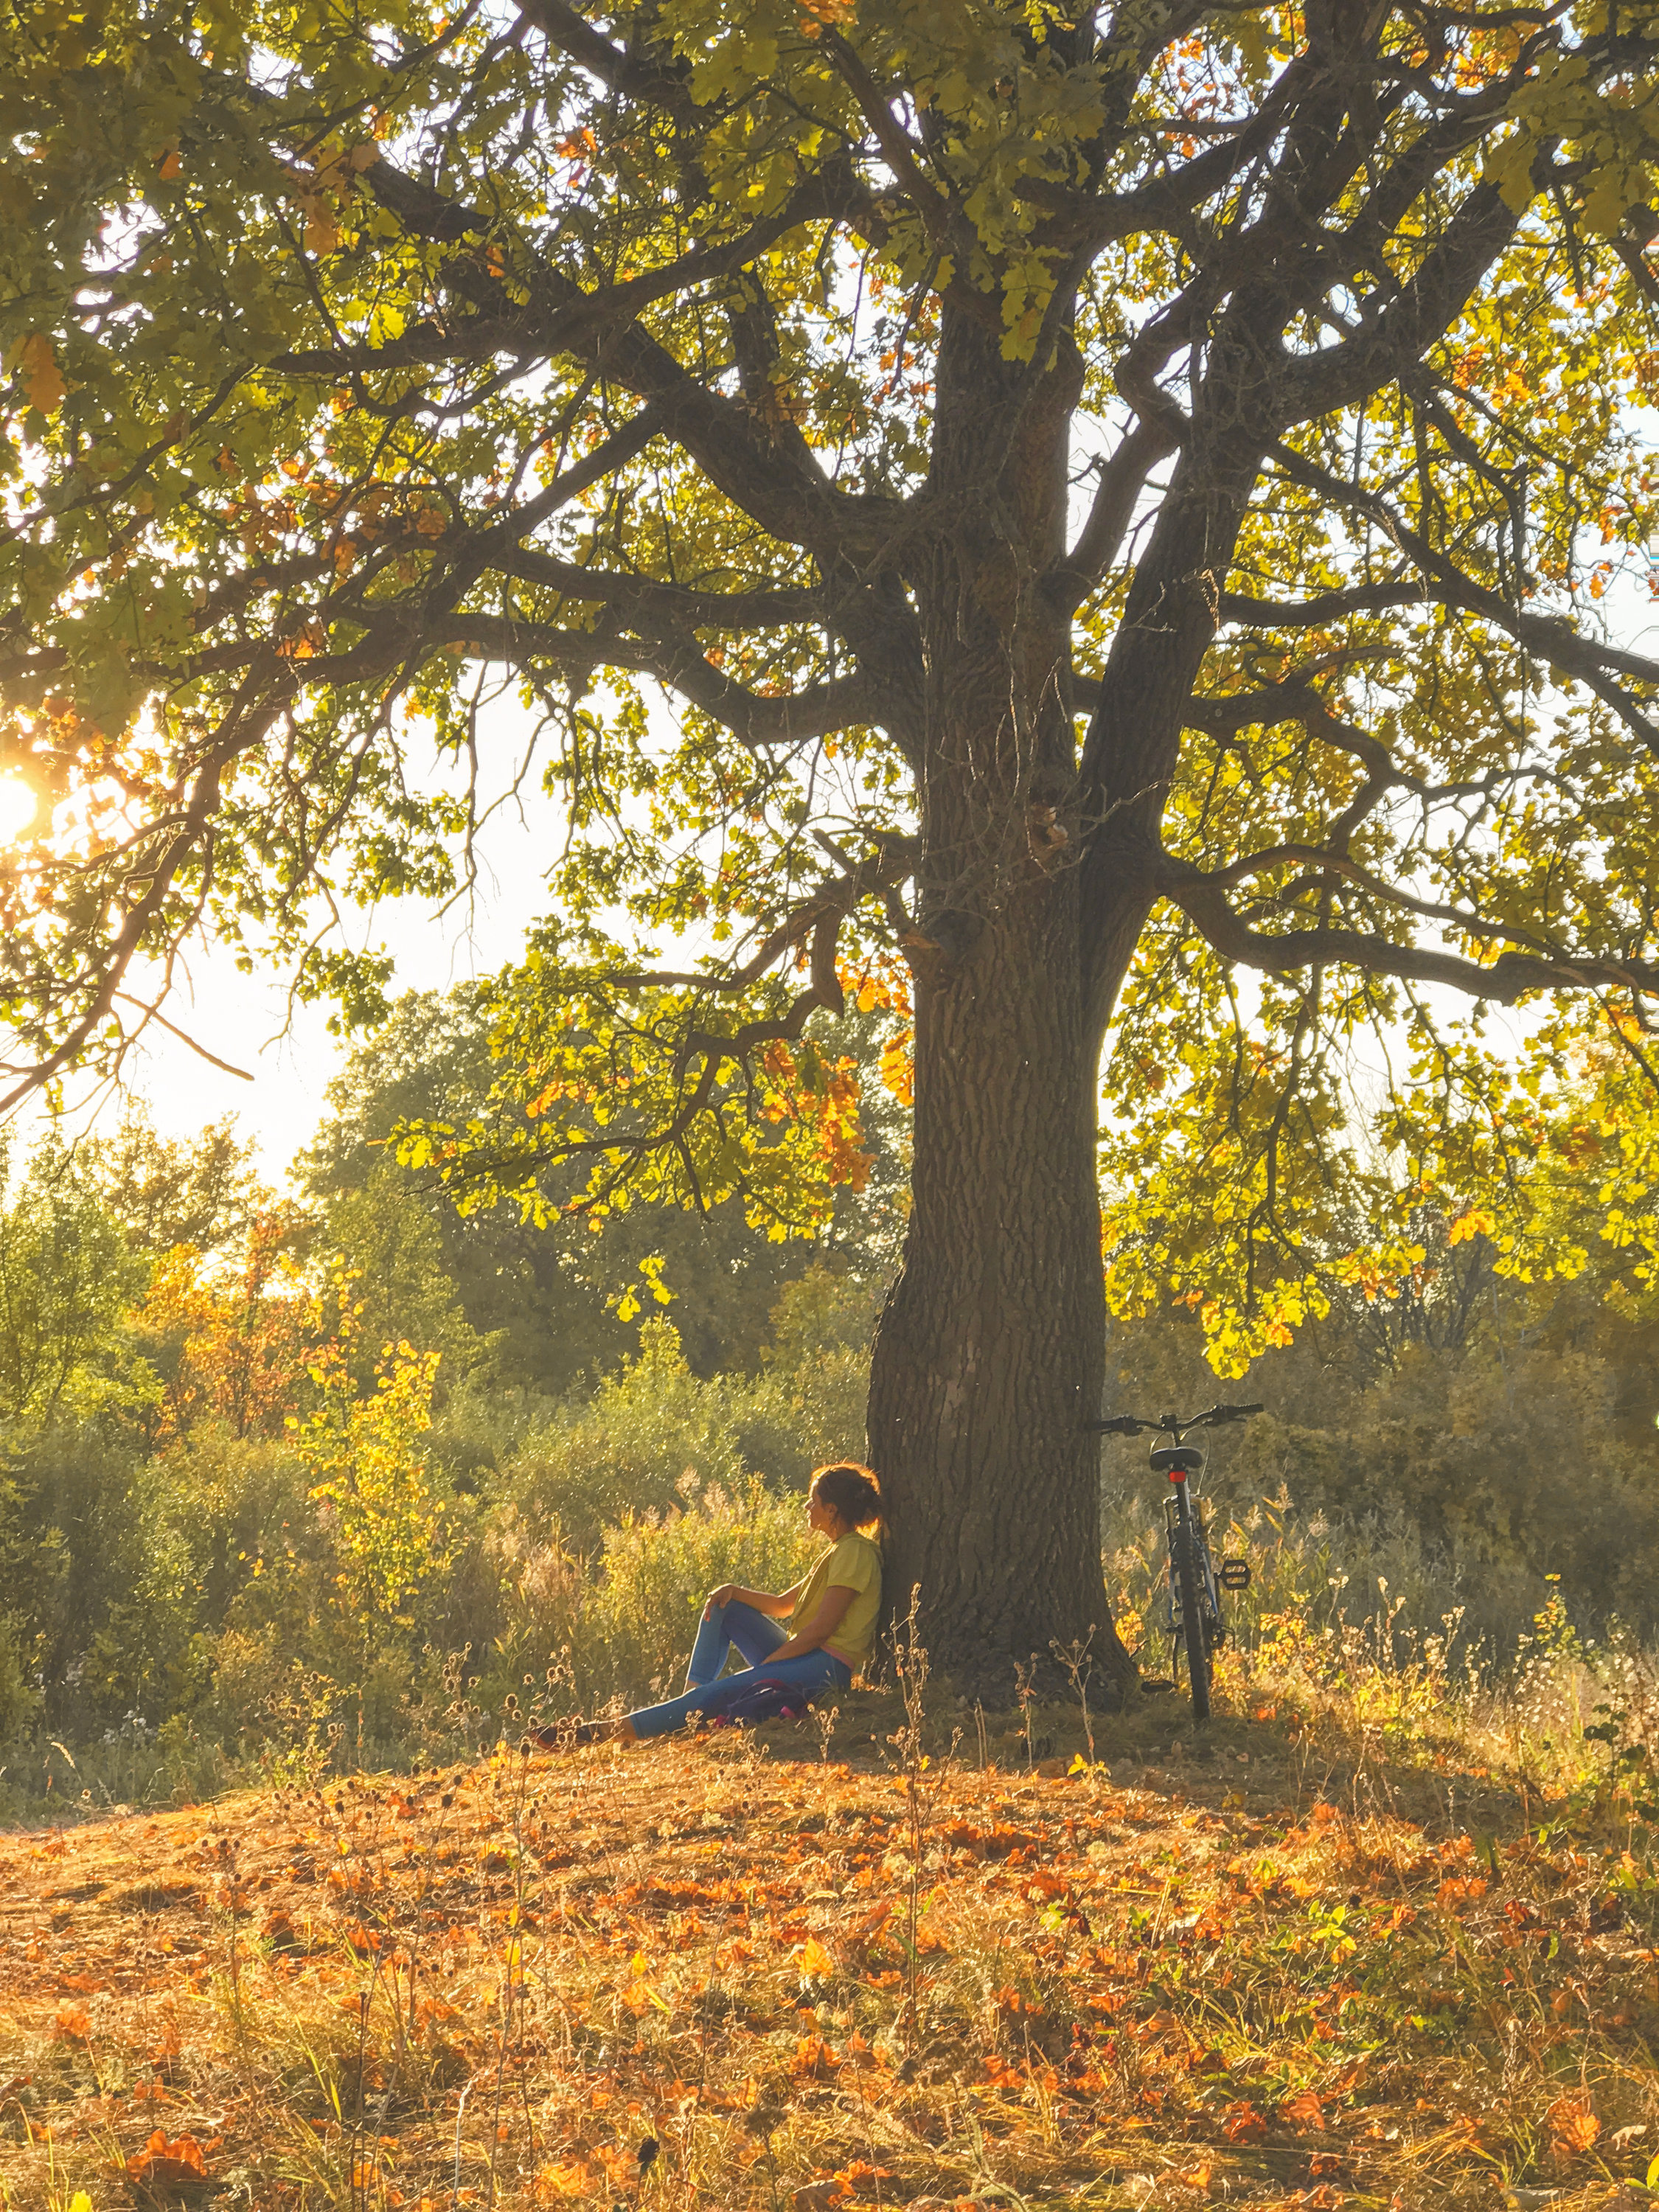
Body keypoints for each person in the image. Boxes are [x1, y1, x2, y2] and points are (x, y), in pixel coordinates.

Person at [546, 1463, 883, 1747]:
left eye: (813, 1502)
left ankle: (596, 1734)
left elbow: (821, 1631)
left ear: (832, 1510)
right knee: (725, 1608)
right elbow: (783, 1606)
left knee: (718, 1694)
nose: (807, 1508)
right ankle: (689, 1701)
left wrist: (769, 1667)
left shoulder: (854, 1552)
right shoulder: (836, 1551)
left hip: (826, 1666)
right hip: (806, 1656)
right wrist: (733, 1591)